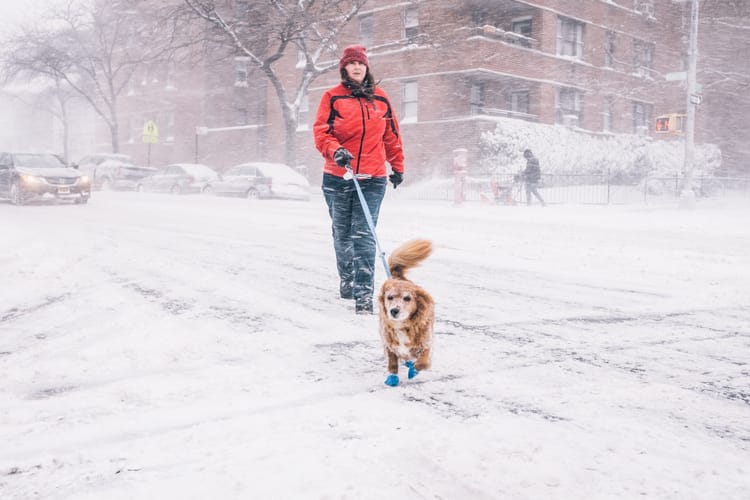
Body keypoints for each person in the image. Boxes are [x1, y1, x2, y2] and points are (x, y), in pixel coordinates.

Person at [313, 45, 405, 315]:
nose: (357, 68)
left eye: (361, 64)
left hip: (372, 177)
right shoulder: (332, 98)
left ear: (366, 68)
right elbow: (321, 132)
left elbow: (391, 136)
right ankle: (348, 278)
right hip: (338, 176)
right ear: (344, 68)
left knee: (364, 234)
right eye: (351, 64)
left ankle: (364, 294)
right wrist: (335, 150)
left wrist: (397, 166)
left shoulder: (381, 99)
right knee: (342, 233)